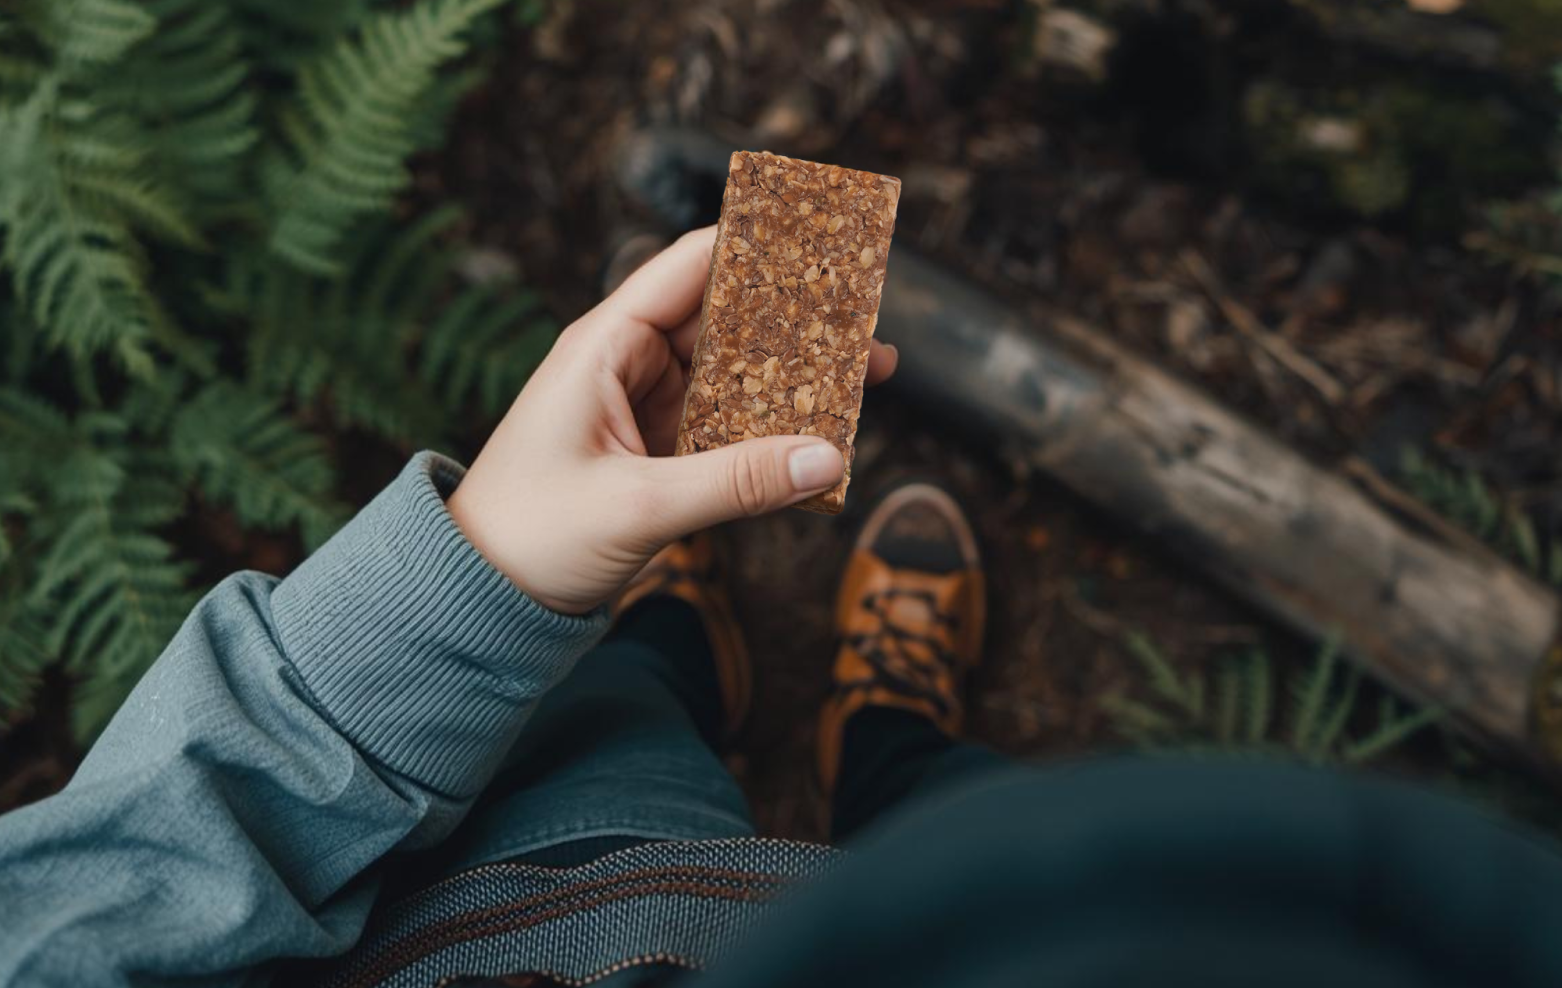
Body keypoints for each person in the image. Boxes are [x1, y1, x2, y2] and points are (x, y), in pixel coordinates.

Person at [1, 226, 1560, 988]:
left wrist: (481, 573)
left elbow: (129, 876)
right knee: (968, 812)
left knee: (609, 704)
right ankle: (888, 741)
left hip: (558, 871)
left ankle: (680, 644)